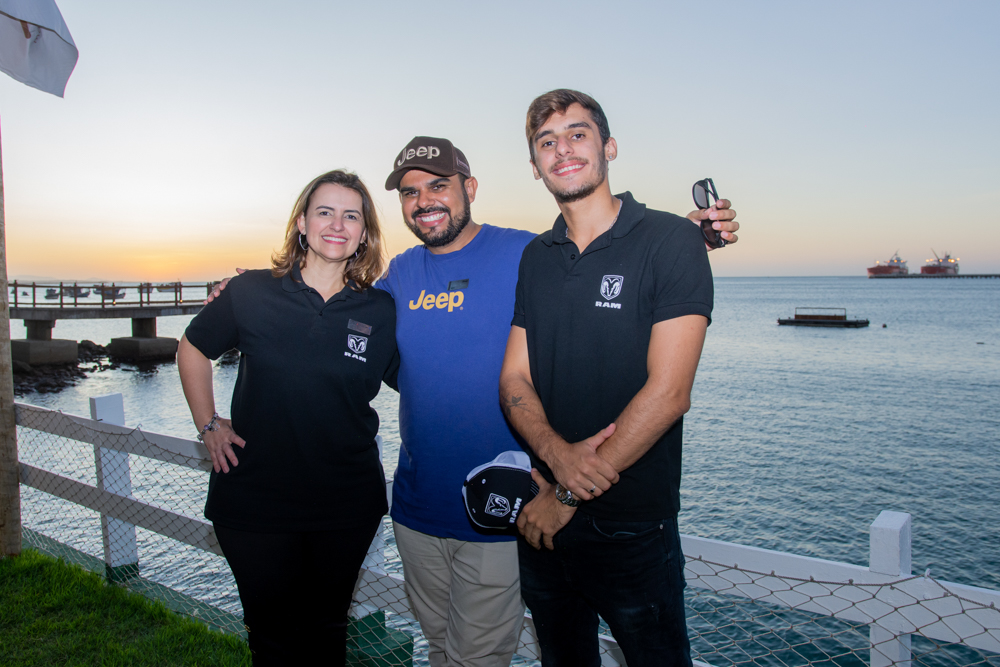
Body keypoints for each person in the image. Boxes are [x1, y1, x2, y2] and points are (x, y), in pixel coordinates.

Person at [207, 138, 739, 666]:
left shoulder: (526, 254)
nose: (425, 200)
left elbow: (596, 254)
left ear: (470, 189)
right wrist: (243, 294)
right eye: (411, 192)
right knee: (440, 647)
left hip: (498, 510)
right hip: (415, 513)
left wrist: (687, 237)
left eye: (438, 186)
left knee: (476, 659)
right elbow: (334, 313)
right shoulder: (399, 277)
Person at [498, 89, 714, 666]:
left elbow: (669, 394)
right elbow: (515, 378)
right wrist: (553, 458)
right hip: (543, 516)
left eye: (577, 133)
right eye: (546, 141)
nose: (562, 149)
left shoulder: (672, 241)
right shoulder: (536, 257)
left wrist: (570, 490)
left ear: (608, 146)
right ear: (534, 164)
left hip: (632, 529)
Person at [177, 169, 399, 666]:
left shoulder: (382, 310)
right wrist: (209, 424)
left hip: (345, 503)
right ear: (302, 222)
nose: (337, 224)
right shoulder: (251, 292)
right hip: (255, 501)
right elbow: (192, 348)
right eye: (324, 212)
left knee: (326, 636)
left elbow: (423, 380)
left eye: (351, 215)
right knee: (272, 640)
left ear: (364, 233)